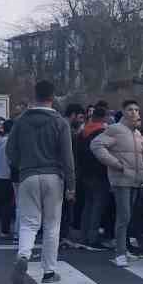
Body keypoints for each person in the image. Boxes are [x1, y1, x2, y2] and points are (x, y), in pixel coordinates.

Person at [5, 79, 77, 284]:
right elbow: (67, 157)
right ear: (52, 98)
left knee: (28, 222)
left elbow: (10, 151)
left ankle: (24, 255)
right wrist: (71, 185)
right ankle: (49, 271)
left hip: (27, 176)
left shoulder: (21, 121)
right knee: (52, 226)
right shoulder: (60, 122)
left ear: (34, 96)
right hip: (54, 177)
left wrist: (22, 165)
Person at [91, 98, 143, 267]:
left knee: (129, 216)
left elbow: (142, 152)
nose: (134, 112)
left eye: (136, 110)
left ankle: (124, 249)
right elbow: (96, 145)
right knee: (123, 216)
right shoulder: (116, 129)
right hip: (121, 179)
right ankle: (120, 253)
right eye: (130, 109)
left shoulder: (137, 132)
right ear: (123, 111)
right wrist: (115, 164)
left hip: (136, 179)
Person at [75, 101, 112, 250]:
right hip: (99, 173)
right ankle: (93, 237)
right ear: (104, 118)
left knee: (88, 205)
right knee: (97, 205)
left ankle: (84, 235)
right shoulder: (102, 132)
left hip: (84, 173)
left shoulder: (83, 131)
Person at [62, 103, 87, 247]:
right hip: (67, 173)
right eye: (80, 117)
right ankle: (64, 236)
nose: (82, 120)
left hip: (59, 173)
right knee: (67, 206)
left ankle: (62, 236)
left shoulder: (62, 126)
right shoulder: (68, 131)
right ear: (73, 115)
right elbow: (71, 157)